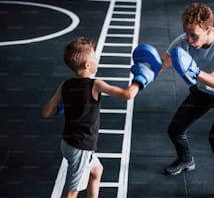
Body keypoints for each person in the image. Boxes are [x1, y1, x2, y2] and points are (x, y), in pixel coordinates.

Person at [42, 37, 161, 198]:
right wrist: (140, 77)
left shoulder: (65, 85)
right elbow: (127, 94)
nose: (97, 60)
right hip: (81, 147)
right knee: (71, 191)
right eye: (95, 58)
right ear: (87, 65)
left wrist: (60, 109)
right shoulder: (95, 84)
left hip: (68, 142)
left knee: (97, 171)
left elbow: (46, 112)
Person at [161, 3, 214, 198]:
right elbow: (162, 63)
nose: (189, 40)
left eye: (194, 36)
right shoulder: (182, 41)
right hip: (202, 92)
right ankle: (186, 160)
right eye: (186, 34)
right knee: (175, 129)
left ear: (208, 29)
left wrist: (196, 72)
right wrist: (142, 74)